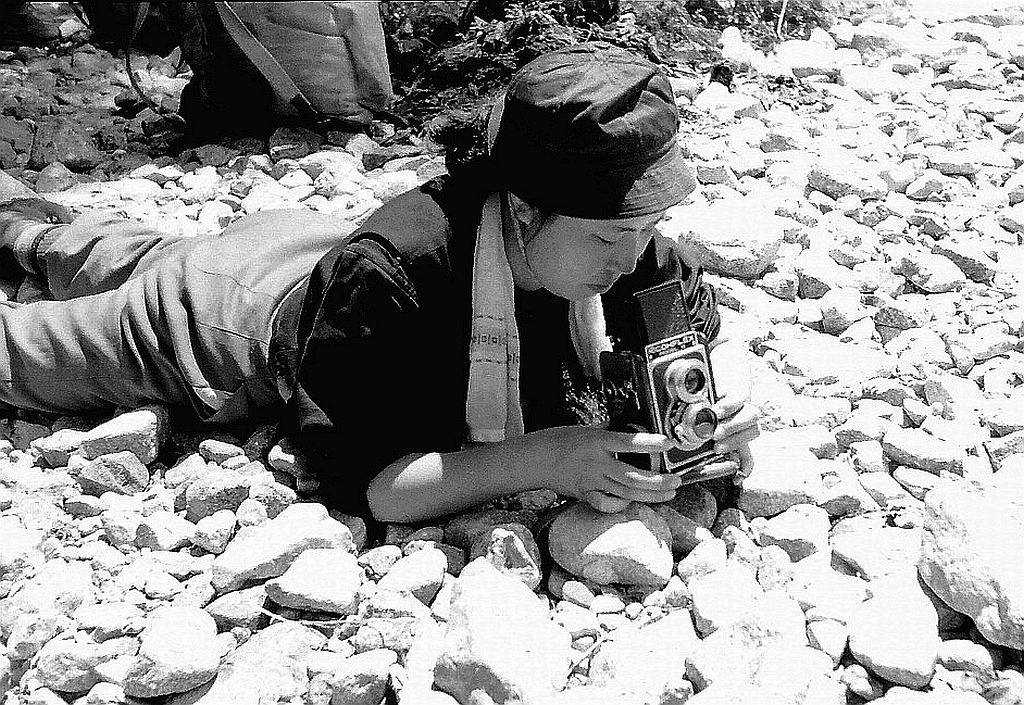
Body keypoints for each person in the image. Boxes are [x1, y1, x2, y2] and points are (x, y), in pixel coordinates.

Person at [0, 42, 760, 524]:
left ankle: (25, 227)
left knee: (97, 249)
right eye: (607, 235)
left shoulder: (627, 247)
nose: (632, 257)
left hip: (301, 250)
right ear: (526, 210)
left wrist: (715, 418)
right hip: (223, 325)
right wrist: (548, 458)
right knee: (25, 353)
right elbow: (380, 487)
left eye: (646, 227)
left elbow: (691, 346)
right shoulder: (394, 274)